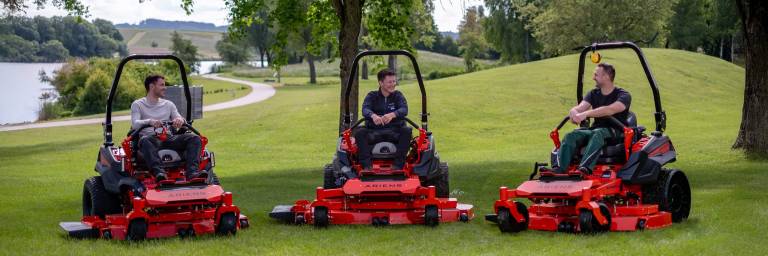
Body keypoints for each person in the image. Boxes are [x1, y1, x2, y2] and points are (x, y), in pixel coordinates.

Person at [556, 63, 632, 174]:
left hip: (616, 131)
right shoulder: (593, 93)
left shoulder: (623, 95)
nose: (593, 78)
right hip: (595, 130)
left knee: (597, 133)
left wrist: (585, 114)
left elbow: (609, 110)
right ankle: (559, 169)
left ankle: (585, 169)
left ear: (606, 77)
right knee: (570, 136)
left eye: (596, 75)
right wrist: (573, 112)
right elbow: (580, 107)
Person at [130, 74, 205, 181]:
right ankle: (159, 174)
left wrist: (179, 120)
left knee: (194, 138)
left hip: (168, 138)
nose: (165, 88)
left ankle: (192, 173)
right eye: (162, 85)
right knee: (145, 140)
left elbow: (179, 117)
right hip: (150, 139)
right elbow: (135, 124)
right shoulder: (138, 104)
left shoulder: (168, 104)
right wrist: (150, 122)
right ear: (152, 86)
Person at [355, 69, 411, 170]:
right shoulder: (372, 96)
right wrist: (373, 116)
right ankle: (367, 166)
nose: (393, 84)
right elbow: (365, 109)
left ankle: (398, 166)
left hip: (395, 131)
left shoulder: (398, 95)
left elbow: (404, 109)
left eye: (394, 81)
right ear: (380, 83)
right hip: (374, 131)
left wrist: (392, 115)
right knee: (359, 132)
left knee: (407, 131)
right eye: (390, 82)